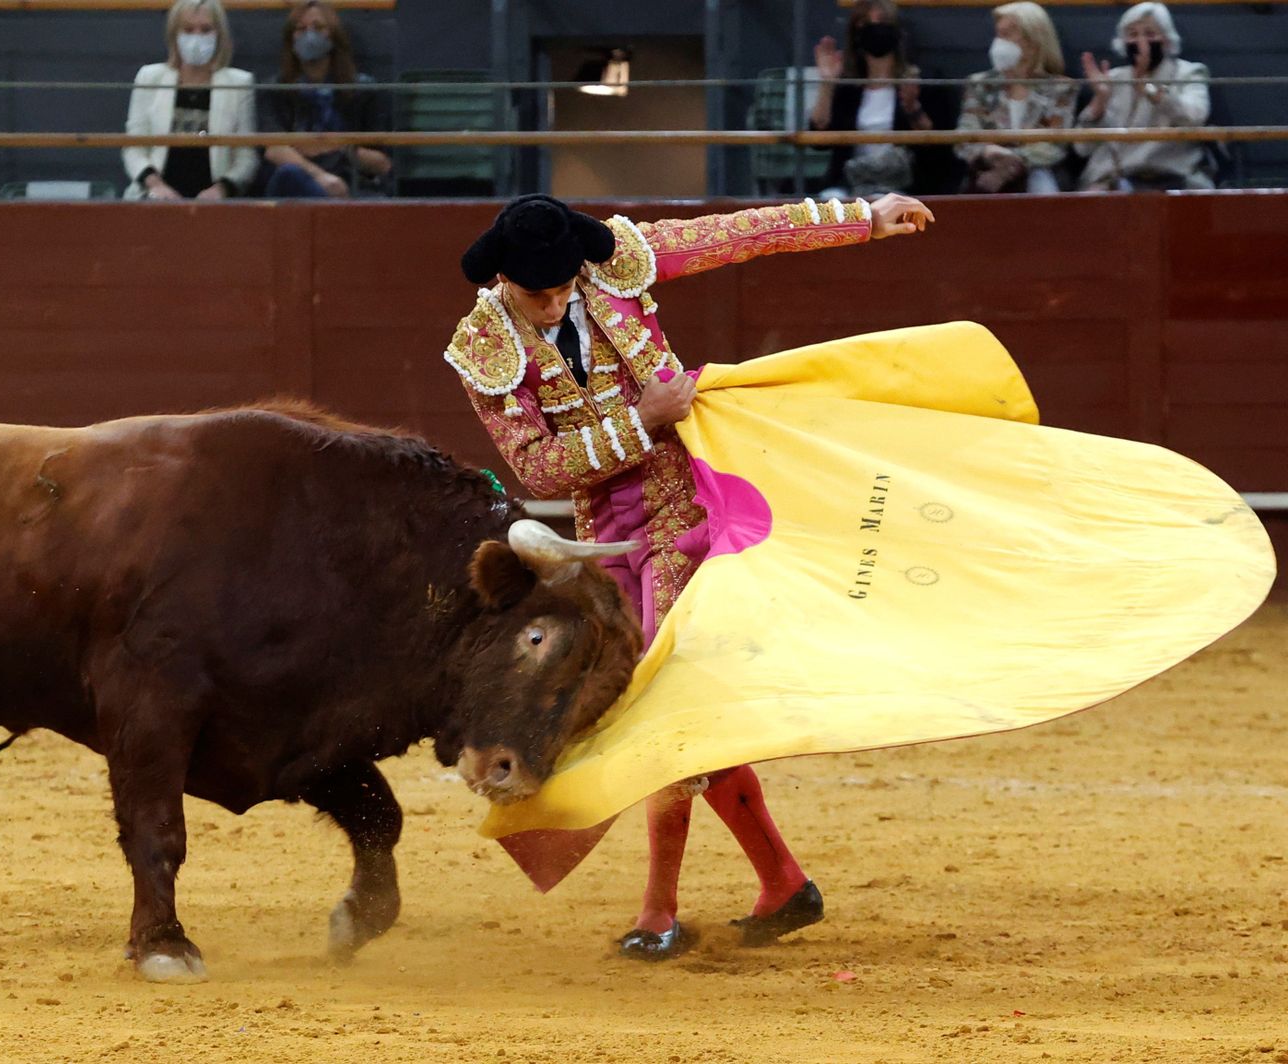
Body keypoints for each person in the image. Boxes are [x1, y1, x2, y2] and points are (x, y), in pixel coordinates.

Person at [445, 190, 935, 959]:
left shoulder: (614, 261)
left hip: (704, 496)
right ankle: (780, 881)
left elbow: (741, 234)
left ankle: (659, 913)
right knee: (676, 714)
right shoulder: (483, 348)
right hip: (611, 532)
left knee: (669, 710)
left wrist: (862, 218)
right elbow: (536, 462)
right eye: (536, 294)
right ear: (502, 280)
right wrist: (643, 418)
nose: (552, 304)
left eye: (563, 287)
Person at [809, 0, 955, 198]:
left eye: (883, 21)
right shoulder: (848, 89)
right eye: (865, 23)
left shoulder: (924, 83)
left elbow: (938, 148)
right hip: (850, 184)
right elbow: (819, 138)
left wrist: (912, 108)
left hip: (904, 184)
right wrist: (827, 83)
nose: (875, 28)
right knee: (828, 202)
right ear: (856, 33)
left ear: (897, 30)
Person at [123, 0, 257, 201]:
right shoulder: (149, 77)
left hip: (214, 204)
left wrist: (221, 189)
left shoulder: (239, 83)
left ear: (219, 35)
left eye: (205, 30)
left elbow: (246, 157)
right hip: (153, 198)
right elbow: (134, 147)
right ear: (174, 34)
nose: (197, 37)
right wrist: (155, 186)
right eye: (188, 29)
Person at [257, 0, 390, 199]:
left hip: (351, 186)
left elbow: (383, 163)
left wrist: (339, 146)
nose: (309, 35)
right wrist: (320, 177)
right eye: (301, 29)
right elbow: (274, 150)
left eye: (318, 27)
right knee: (289, 174)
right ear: (290, 38)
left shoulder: (364, 90)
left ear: (334, 35)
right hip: (296, 184)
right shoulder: (275, 90)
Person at [1076, 1, 1212, 191]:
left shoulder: (1189, 72)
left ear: (1166, 40)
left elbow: (1195, 117)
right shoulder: (1113, 79)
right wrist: (1100, 100)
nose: (1141, 43)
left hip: (1169, 176)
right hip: (1111, 178)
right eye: (1133, 35)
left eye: (1149, 34)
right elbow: (1081, 148)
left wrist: (1149, 88)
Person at [956, 2, 1076, 193]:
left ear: (1034, 42)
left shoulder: (1061, 88)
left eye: (1008, 34)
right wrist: (988, 152)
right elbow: (965, 135)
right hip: (985, 171)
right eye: (998, 34)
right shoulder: (979, 84)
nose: (999, 43)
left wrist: (1009, 168)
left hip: (1038, 173)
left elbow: (1054, 145)